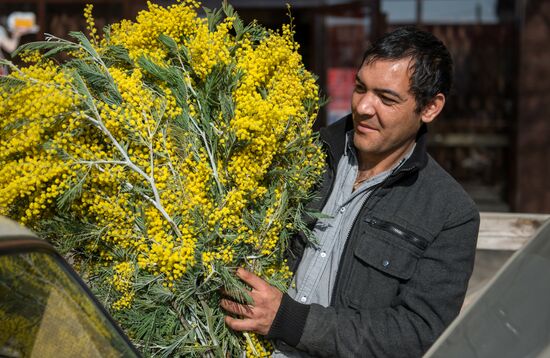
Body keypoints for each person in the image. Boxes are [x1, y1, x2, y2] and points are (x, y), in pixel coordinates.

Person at [220, 26, 480, 358]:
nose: (364, 107)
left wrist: (289, 321)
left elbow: (417, 333)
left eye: (386, 98)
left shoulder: (450, 212)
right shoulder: (301, 156)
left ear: (430, 108)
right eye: (360, 88)